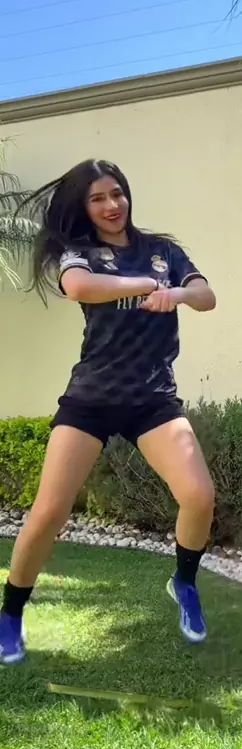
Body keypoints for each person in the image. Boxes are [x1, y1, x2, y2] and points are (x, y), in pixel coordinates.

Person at [0, 159, 216, 665]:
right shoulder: (81, 253)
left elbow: (206, 296)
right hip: (92, 397)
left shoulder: (162, 250)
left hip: (152, 397)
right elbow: (79, 287)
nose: (111, 205)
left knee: (199, 496)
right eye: (97, 198)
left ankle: (184, 582)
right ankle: (10, 614)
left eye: (116, 193)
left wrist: (176, 293)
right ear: (85, 207)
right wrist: (145, 286)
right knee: (49, 512)